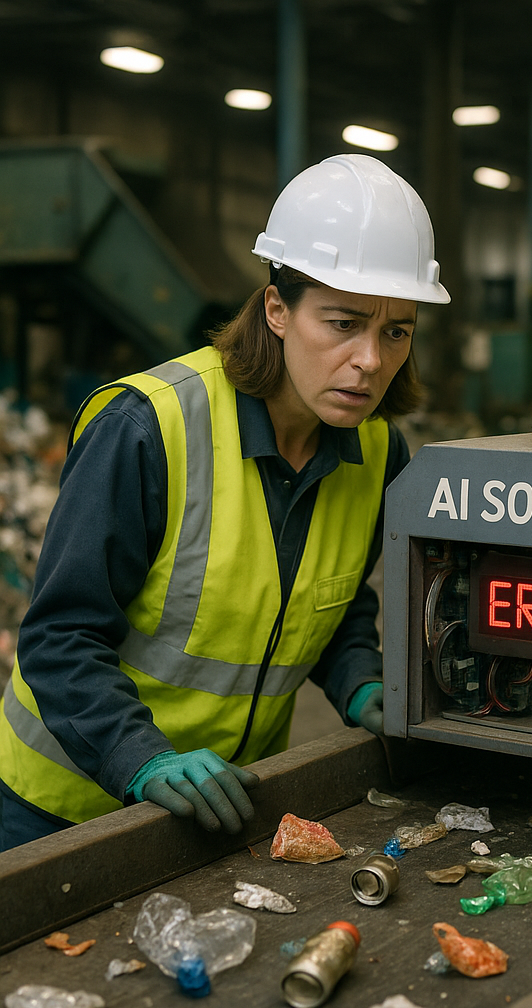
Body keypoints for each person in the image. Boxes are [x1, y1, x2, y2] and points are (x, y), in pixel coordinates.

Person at [0, 153, 450, 850]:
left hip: (224, 806)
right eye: (342, 323)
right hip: (57, 812)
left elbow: (328, 603)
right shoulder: (147, 429)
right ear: (277, 309)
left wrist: (363, 680)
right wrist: (139, 756)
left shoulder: (376, 453)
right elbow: (60, 638)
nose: (370, 359)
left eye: (397, 330)